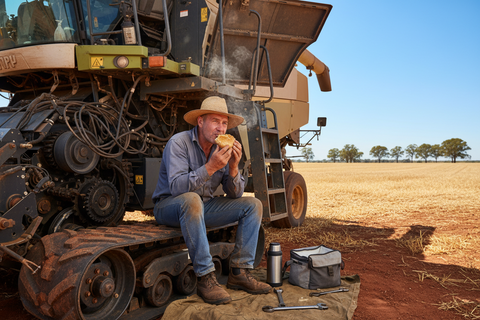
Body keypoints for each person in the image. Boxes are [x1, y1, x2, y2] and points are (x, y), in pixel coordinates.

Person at [152, 96, 272, 305]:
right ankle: (206, 278)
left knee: (253, 205)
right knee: (191, 199)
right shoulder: (178, 143)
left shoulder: (223, 148)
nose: (221, 128)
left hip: (203, 206)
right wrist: (210, 167)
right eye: (215, 121)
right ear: (201, 121)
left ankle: (239, 273)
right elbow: (177, 187)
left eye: (224, 123)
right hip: (169, 206)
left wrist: (234, 167)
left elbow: (234, 194)